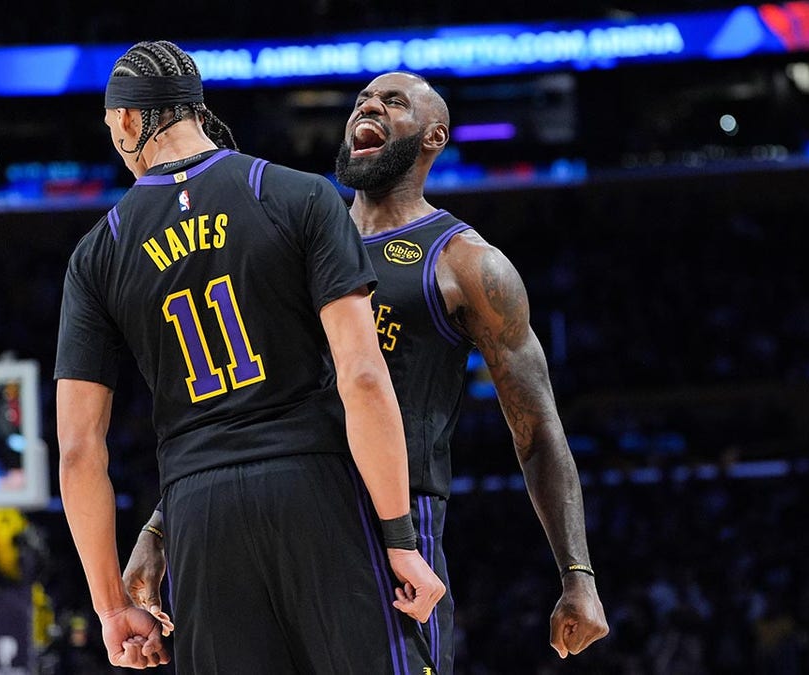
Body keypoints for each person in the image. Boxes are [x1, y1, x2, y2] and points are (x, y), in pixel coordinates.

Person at [124, 71, 610, 672]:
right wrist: (161, 528)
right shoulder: (287, 237)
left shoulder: (466, 263)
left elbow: (536, 431)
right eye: (362, 101)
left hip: (392, 525)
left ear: (435, 136)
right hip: (278, 511)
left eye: (393, 102)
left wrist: (577, 574)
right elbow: (235, 399)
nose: (369, 107)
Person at [55, 43, 445, 673]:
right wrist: (400, 540)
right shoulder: (298, 195)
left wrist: (109, 608)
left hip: (198, 514)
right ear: (195, 111)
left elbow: (78, 451)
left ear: (127, 121)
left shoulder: (99, 251)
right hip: (314, 489)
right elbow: (364, 377)